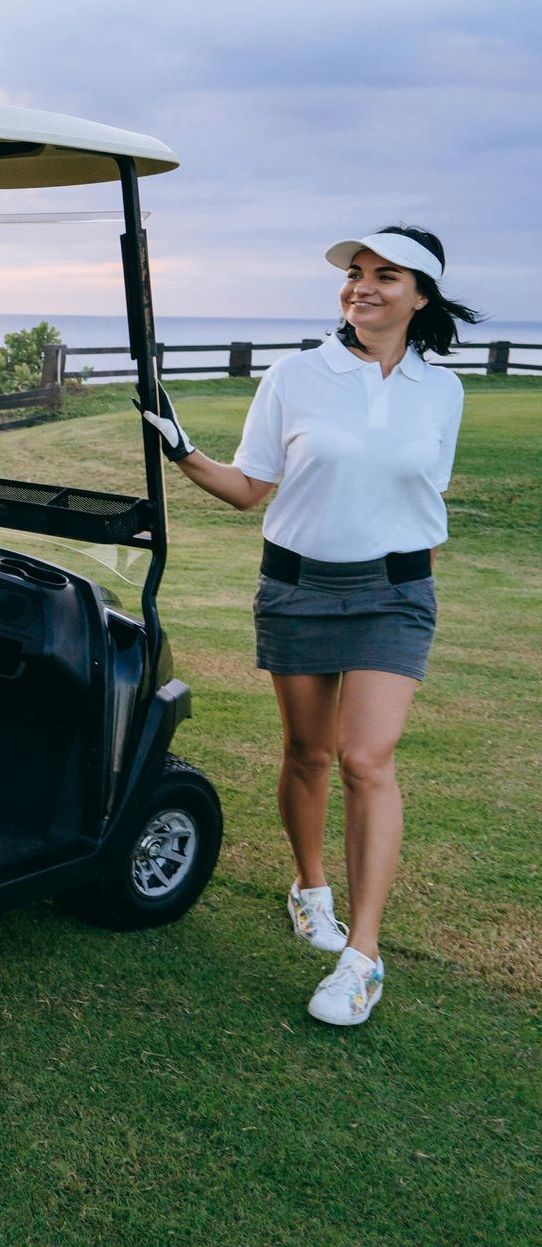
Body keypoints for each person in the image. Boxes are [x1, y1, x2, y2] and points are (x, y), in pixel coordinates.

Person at [138, 225, 479, 1026]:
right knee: (307, 754)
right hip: (295, 586)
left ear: (419, 296)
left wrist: (403, 577)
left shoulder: (444, 391)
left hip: (394, 592)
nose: (361, 286)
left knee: (367, 758)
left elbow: (422, 497)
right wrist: (183, 449)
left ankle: (362, 956)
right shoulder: (296, 374)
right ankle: (310, 886)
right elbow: (251, 486)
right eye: (355, 274)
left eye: (384, 276)